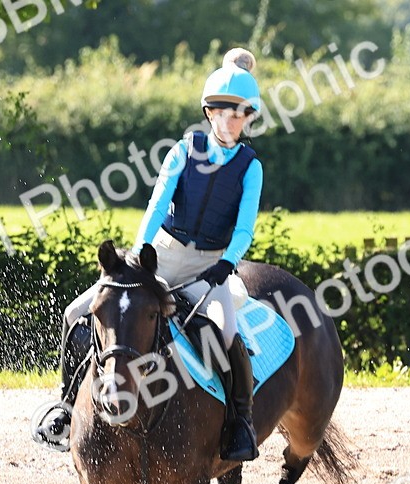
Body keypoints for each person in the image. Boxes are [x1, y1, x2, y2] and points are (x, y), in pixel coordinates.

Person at [35, 48, 264, 462]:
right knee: (74, 313)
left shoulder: (251, 167)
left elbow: (245, 227)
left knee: (227, 335)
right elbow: (157, 207)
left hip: (211, 265)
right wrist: (141, 254)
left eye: (238, 113)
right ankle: (67, 407)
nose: (228, 121)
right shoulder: (182, 151)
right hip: (162, 254)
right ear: (208, 113)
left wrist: (228, 263)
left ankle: (239, 424)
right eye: (219, 111)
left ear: (249, 117)